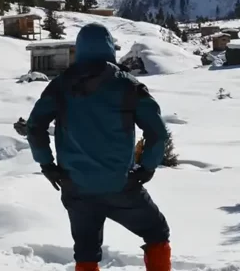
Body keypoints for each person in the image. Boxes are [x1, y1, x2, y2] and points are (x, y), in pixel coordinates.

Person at [25, 23, 171, 271]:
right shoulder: (128, 85)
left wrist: (47, 165)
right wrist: (146, 168)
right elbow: (157, 132)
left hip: (75, 186)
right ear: (109, 48)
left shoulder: (60, 85)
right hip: (120, 186)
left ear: (79, 49)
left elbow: (35, 126)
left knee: (86, 252)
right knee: (157, 232)